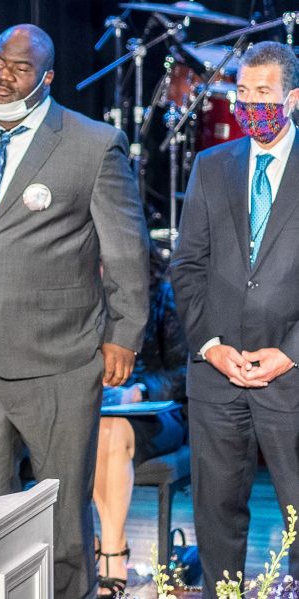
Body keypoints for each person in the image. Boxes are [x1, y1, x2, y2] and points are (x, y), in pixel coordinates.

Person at [0, 24, 149, 598]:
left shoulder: (91, 143)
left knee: (63, 520)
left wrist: (125, 333)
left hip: (60, 360)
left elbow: (125, 246)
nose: (2, 75)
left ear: (45, 78)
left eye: (18, 68)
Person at [171, 41, 299, 598]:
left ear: (292, 98)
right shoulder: (211, 164)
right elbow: (186, 265)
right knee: (217, 516)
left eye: (263, 93)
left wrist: (291, 350)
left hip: (290, 373)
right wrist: (211, 346)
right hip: (217, 374)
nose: (250, 105)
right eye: (242, 93)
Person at [94, 243, 188, 596]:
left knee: (111, 430)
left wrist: (141, 391)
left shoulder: (163, 296)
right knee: (95, 429)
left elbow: (184, 370)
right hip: (94, 411)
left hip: (157, 412)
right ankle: (92, 546)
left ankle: (113, 553)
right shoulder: (82, 299)